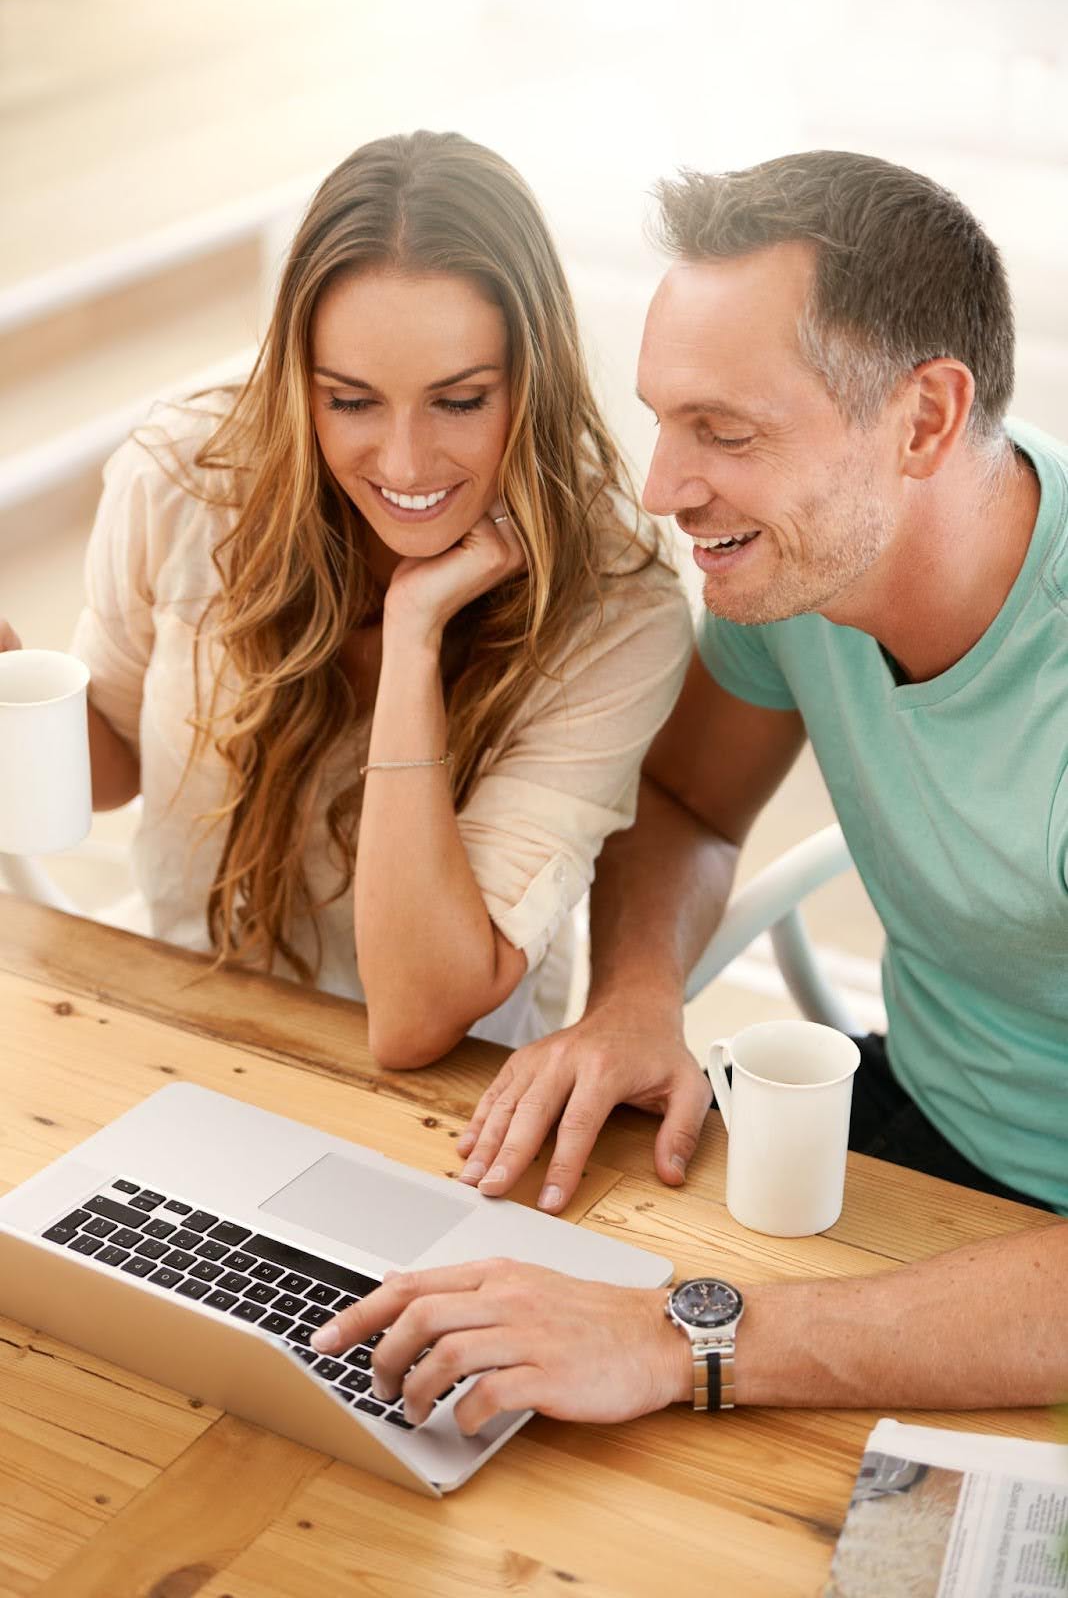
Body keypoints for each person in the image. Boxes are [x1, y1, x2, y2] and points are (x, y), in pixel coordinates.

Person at [311, 150, 1067, 1423]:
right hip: (908, 1134)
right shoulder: (809, 561)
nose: (665, 490)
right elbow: (691, 806)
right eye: (665, 417)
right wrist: (636, 997)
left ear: (927, 419)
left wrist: (681, 1341)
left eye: (727, 432)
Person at [0, 131, 690, 1063]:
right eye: (351, 401)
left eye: (460, 401)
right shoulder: (187, 477)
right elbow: (109, 766)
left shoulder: (617, 603)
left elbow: (414, 1016)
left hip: (445, 1092)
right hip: (186, 1019)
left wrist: (412, 634)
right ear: (298, 381)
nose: (404, 464)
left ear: (533, 381)